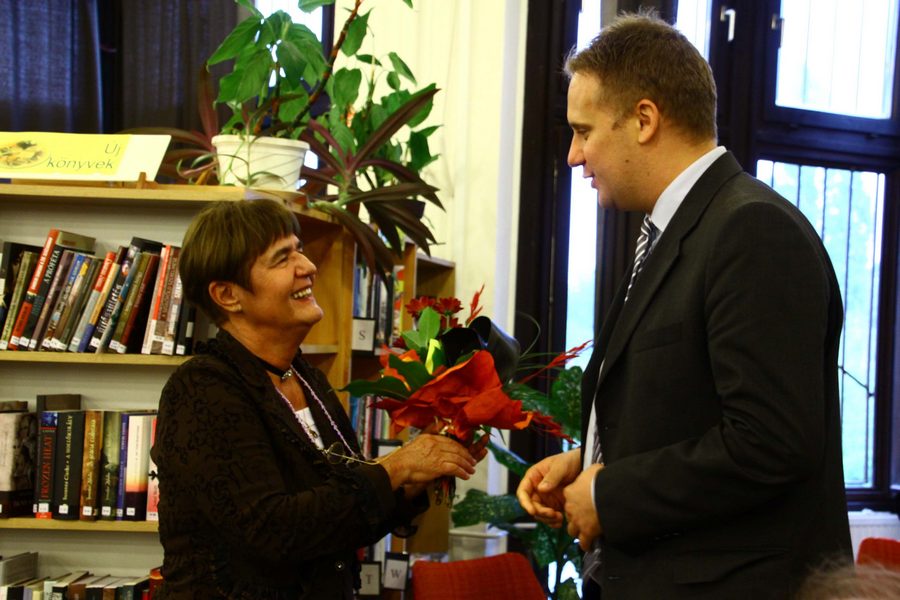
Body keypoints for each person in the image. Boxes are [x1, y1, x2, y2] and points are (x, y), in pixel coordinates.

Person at [517, 12, 852, 599]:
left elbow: (769, 442)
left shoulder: (751, 231)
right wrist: (592, 459)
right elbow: (686, 407)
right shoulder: (680, 230)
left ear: (644, 119)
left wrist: (610, 493)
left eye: (583, 131)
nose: (573, 155)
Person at [152, 198, 487, 599]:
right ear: (227, 295)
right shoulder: (201, 390)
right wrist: (397, 467)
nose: (308, 266)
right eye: (282, 258)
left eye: (300, 250)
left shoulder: (306, 376)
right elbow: (272, 531)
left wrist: (419, 471)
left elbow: (343, 514)